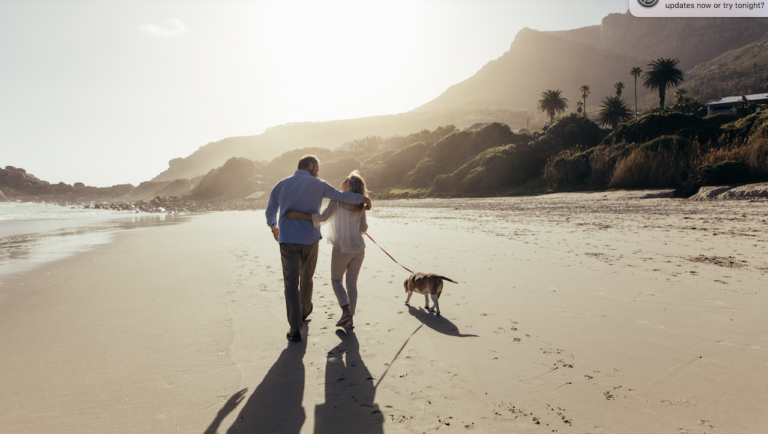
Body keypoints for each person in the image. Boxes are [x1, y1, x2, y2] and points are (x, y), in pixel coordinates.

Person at [265, 156, 372, 342]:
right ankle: (306, 310)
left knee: (291, 283)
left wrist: (274, 227)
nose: (318, 172)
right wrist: (362, 198)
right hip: (310, 239)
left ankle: (295, 327)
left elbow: (270, 212)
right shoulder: (319, 184)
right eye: (318, 168)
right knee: (307, 278)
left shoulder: (280, 185)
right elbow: (341, 196)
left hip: (288, 239)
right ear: (312, 166)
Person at [286, 171, 368, 329]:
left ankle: (345, 312)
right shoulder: (361, 204)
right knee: (352, 284)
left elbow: (322, 218)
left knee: (336, 280)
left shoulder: (337, 201)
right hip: (358, 249)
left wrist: (299, 215)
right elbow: (363, 229)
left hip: (342, 248)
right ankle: (350, 318)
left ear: (348, 186)